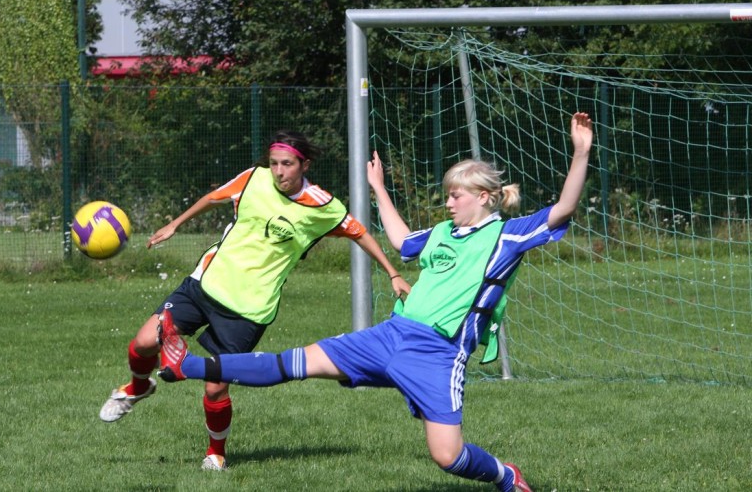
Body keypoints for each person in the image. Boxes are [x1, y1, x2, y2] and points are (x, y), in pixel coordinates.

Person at [156, 112, 594, 490]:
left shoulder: (507, 236)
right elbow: (402, 242)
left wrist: (580, 153)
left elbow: (562, 209)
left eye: (454, 196)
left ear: (482, 197)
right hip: (390, 336)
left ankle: (506, 476)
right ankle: (184, 365)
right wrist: (378, 188)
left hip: (437, 354)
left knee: (447, 456)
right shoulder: (443, 233)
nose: (447, 203)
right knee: (294, 363)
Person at [99, 130, 411, 471]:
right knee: (145, 341)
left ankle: (216, 453)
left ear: (304, 165)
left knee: (215, 387)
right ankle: (138, 387)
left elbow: (360, 233)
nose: (279, 171)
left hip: (248, 310)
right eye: (274, 163)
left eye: (287, 164)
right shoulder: (253, 178)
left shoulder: (323, 206)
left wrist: (393, 273)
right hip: (204, 284)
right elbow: (213, 197)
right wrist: (175, 224)